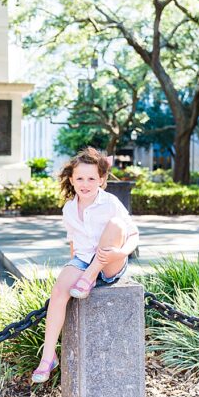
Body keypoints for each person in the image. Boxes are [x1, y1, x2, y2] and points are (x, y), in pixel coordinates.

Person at [31, 148, 140, 383]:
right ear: (71, 180)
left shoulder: (110, 202)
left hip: (111, 260)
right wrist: (71, 270)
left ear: (101, 180)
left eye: (91, 178)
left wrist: (121, 253)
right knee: (59, 290)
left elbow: (133, 235)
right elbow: (74, 246)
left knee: (116, 225)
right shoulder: (69, 209)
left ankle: (90, 277)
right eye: (80, 178)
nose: (85, 183)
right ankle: (48, 357)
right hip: (83, 261)